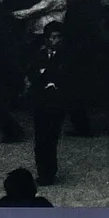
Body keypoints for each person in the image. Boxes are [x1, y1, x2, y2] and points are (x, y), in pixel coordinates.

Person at [28, 23, 67, 185]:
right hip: (41, 100)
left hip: (56, 102)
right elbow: (33, 73)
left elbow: (66, 75)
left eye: (57, 37)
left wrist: (48, 78)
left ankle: (49, 172)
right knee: (40, 138)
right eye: (52, 37)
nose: (54, 40)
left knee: (50, 137)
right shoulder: (40, 54)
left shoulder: (66, 56)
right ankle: (42, 170)